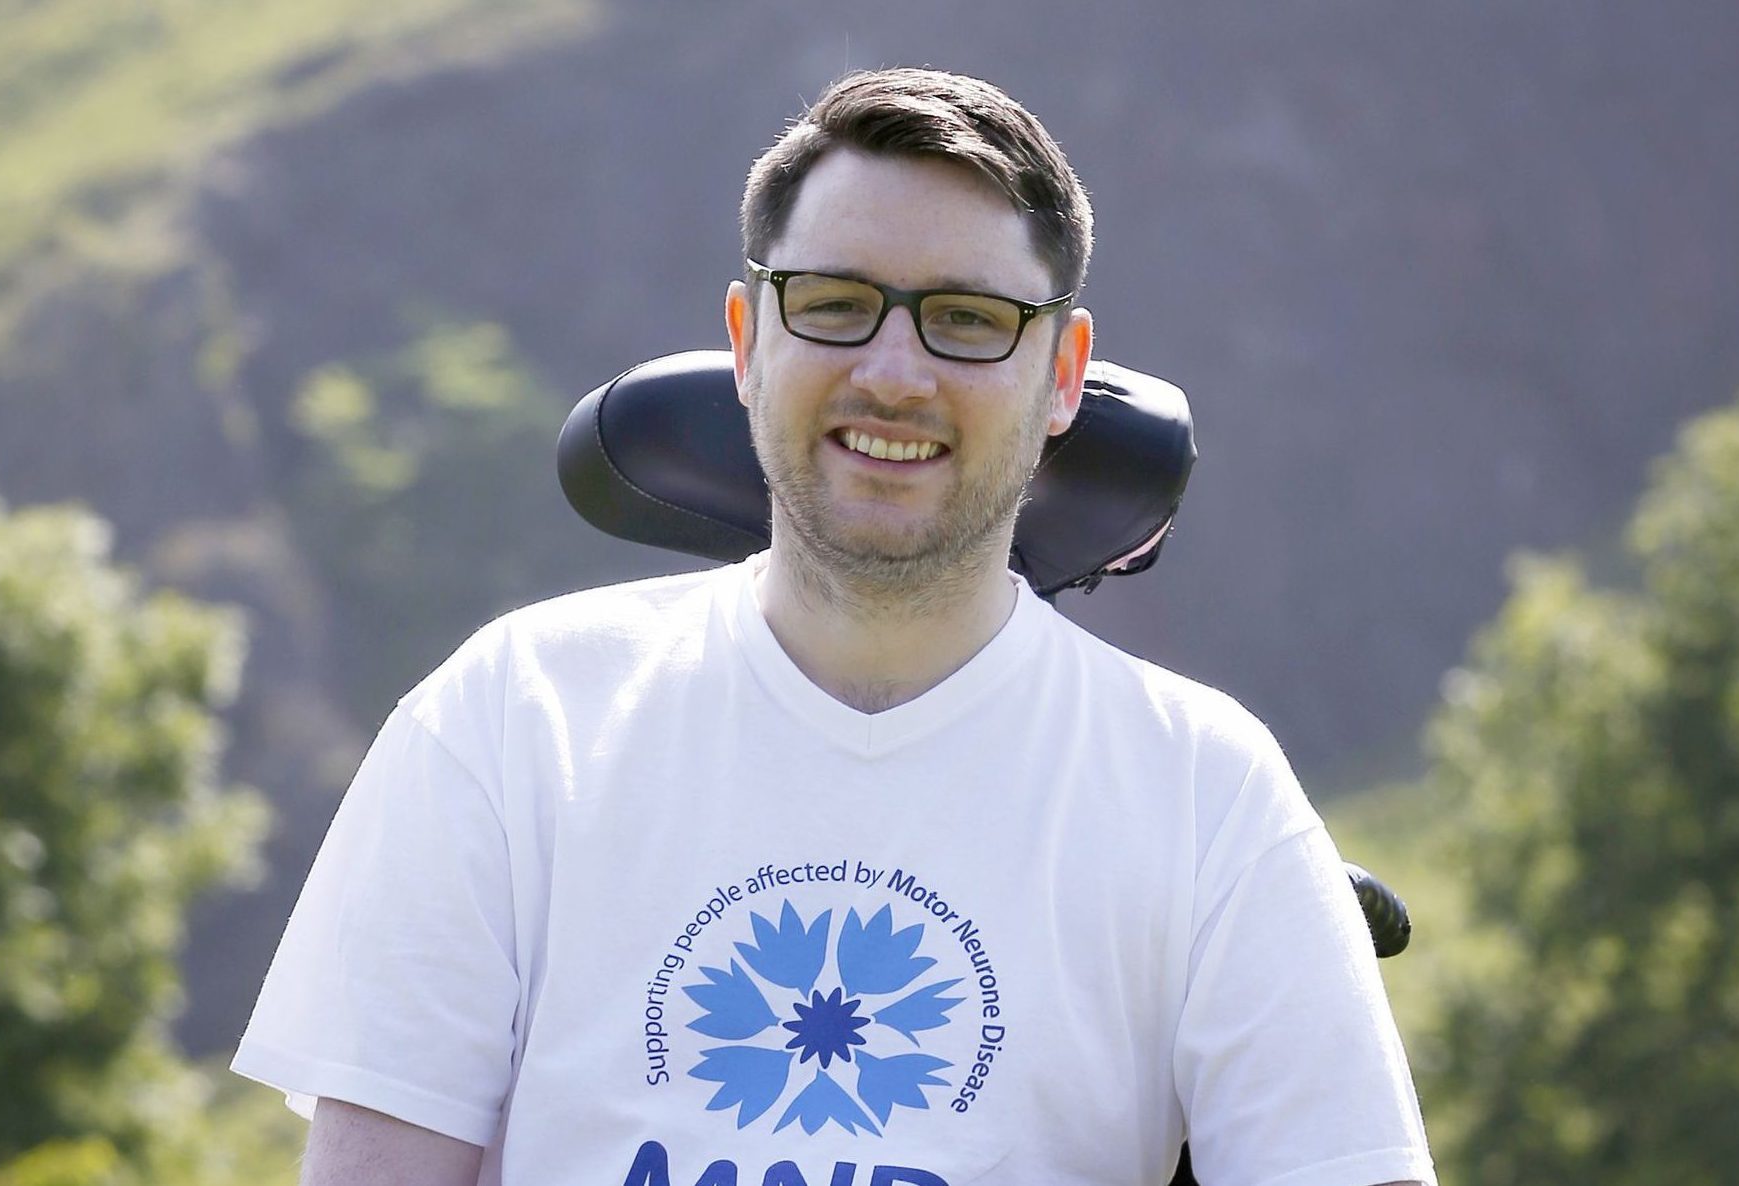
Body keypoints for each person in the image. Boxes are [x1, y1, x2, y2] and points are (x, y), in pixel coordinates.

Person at [232, 68, 1435, 1186]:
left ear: (1065, 372)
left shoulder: (1207, 797)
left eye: (967, 317)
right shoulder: (510, 722)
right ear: (749, 340)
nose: (895, 371)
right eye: (837, 304)